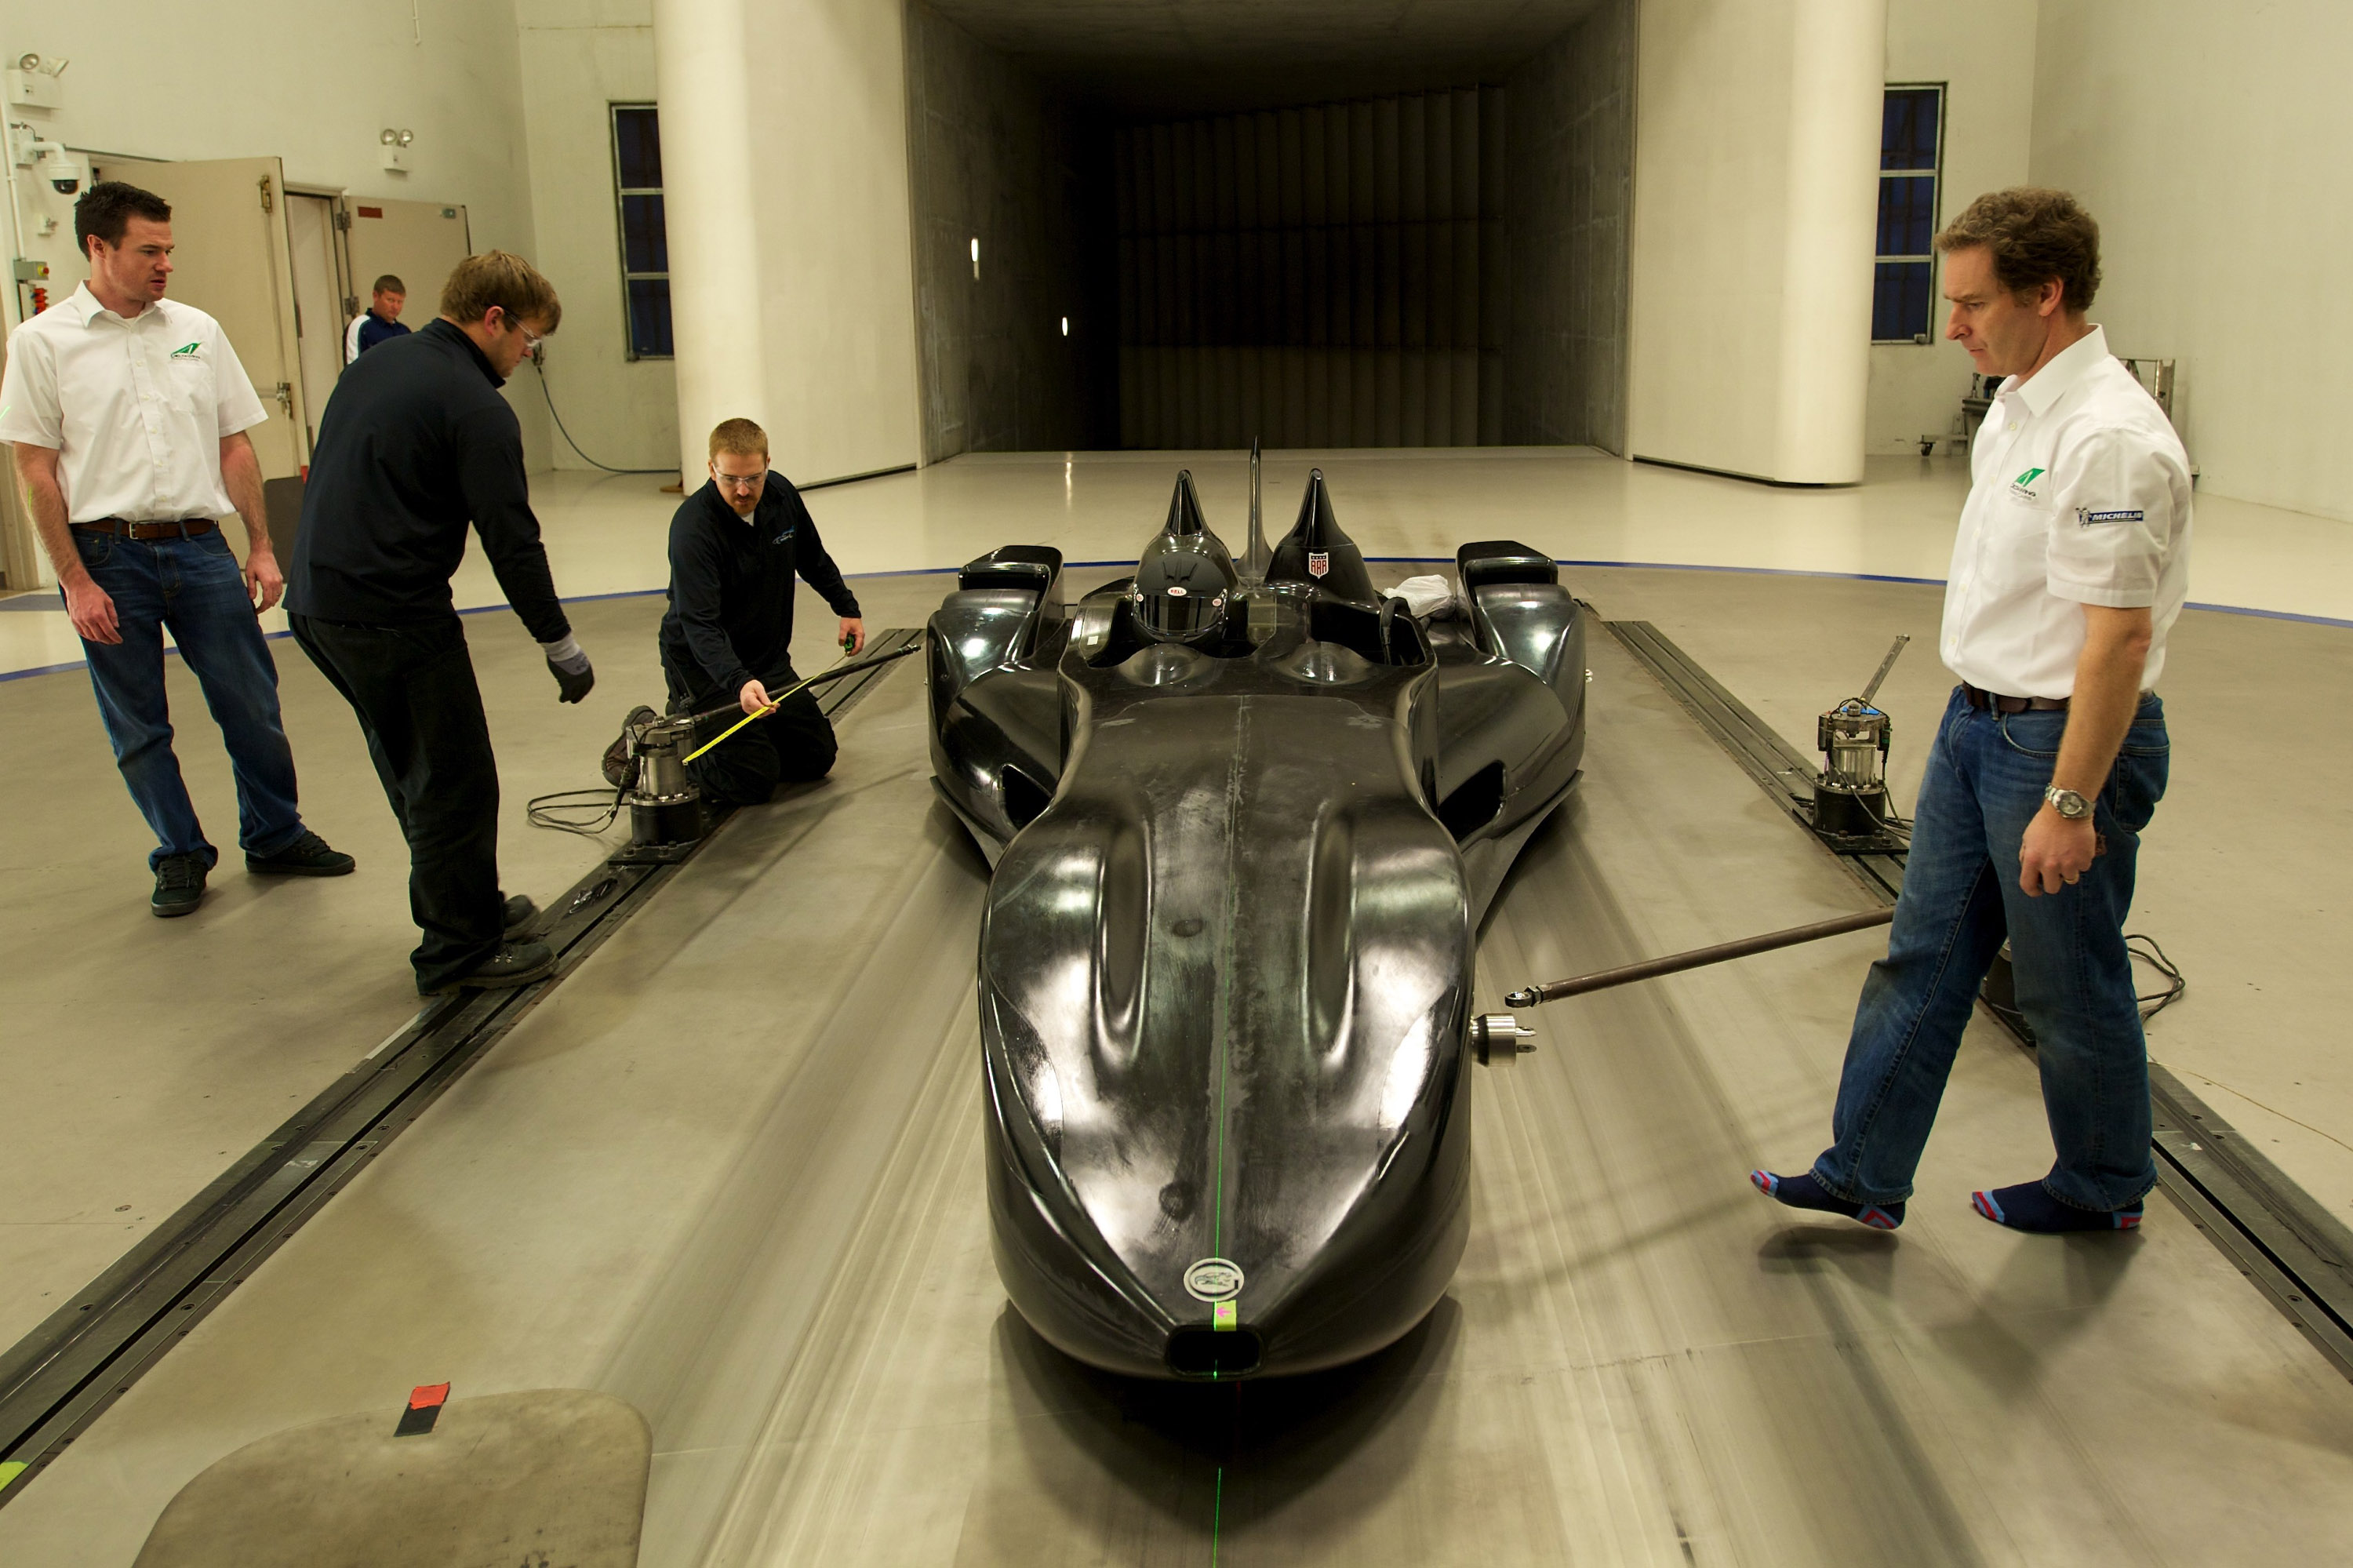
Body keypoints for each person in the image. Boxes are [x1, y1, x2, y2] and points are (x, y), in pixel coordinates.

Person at [1753, 188, 2191, 1234]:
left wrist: (2073, 800)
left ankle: (2103, 1180)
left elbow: (2120, 639)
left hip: (2057, 740)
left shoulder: (2111, 440)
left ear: (2047, 294)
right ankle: (1862, 1170)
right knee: (1924, 956)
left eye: (1972, 302)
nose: (1953, 324)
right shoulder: (2014, 402)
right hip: (1974, 723)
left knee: (2063, 983)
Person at [0, 180, 353, 918]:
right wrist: (73, 579)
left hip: (200, 551)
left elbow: (234, 444)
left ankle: (276, 833)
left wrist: (259, 545)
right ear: (97, 247)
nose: (165, 265)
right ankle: (181, 852)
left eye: (170, 250)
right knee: (139, 725)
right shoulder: (41, 343)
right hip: (106, 557)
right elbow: (34, 468)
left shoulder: (196, 329)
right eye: (148, 250)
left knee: (251, 704)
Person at [286, 251, 594, 995]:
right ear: (494, 320)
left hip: (317, 606)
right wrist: (560, 643)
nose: (527, 354)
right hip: (391, 613)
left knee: (417, 768)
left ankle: (467, 907)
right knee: (454, 778)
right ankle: (458, 950)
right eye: (528, 339)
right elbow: (511, 540)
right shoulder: (476, 405)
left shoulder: (374, 368)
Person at [627, 418, 861, 806]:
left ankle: (747, 739)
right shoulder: (693, 529)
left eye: (754, 478)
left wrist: (846, 607)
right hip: (706, 672)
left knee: (814, 758)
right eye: (730, 478)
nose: (742, 490)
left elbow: (812, 556)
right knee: (752, 781)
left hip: (765, 662)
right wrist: (737, 681)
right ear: (710, 470)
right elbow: (699, 623)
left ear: (768, 463)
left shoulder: (781, 495)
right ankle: (656, 743)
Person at [343, 275, 409, 364]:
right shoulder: (360, 326)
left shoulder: (404, 332)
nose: (395, 307)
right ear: (375, 296)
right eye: (390, 300)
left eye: (400, 302)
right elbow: (353, 369)